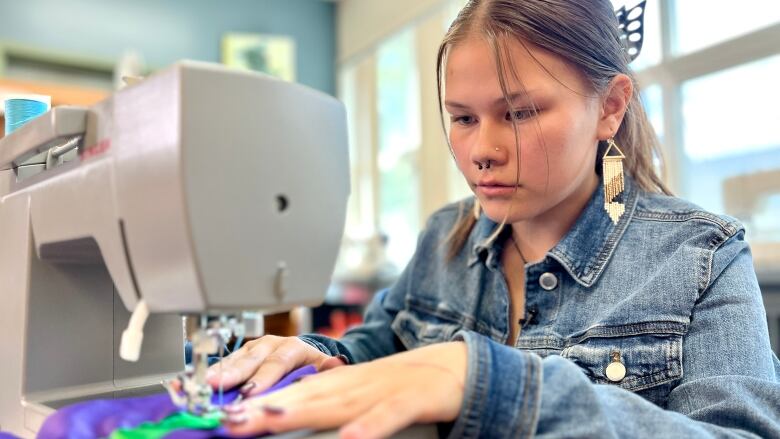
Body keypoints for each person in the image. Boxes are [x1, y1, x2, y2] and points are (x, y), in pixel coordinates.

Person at [210, 1, 780, 437]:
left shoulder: (703, 257)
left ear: (610, 107)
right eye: (462, 118)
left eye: (520, 112)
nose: (482, 149)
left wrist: (493, 385)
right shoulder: (444, 238)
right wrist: (317, 355)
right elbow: (378, 345)